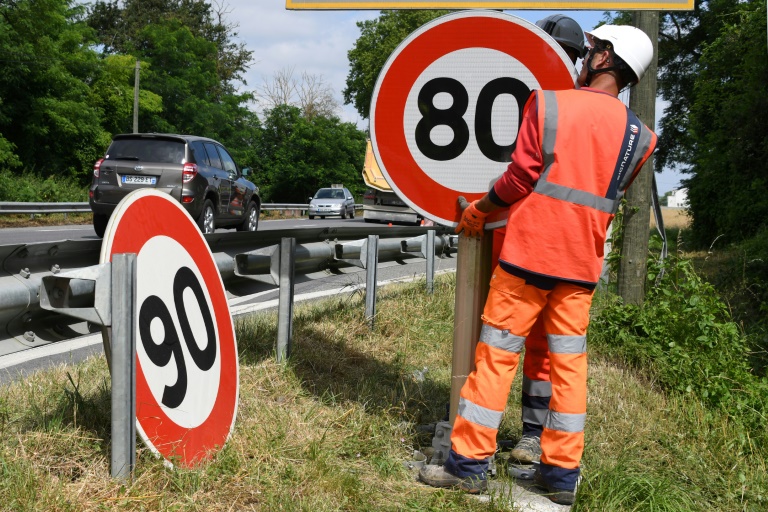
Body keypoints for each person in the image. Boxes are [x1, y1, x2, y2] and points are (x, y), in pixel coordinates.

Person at [420, 24, 657, 505]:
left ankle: (467, 466)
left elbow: (520, 176)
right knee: (569, 367)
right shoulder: (641, 136)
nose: (584, 57)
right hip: (581, 266)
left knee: (497, 356)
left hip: (528, 255)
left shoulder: (548, 103)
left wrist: (480, 209)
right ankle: (561, 476)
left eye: (592, 51)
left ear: (607, 59)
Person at [494, 14, 587, 477]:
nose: (561, 64)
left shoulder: (569, 108)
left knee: (539, 348)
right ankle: (487, 435)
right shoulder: (537, 98)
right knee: (498, 341)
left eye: (567, 57)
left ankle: (531, 435)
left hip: (543, 243)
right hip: (509, 234)